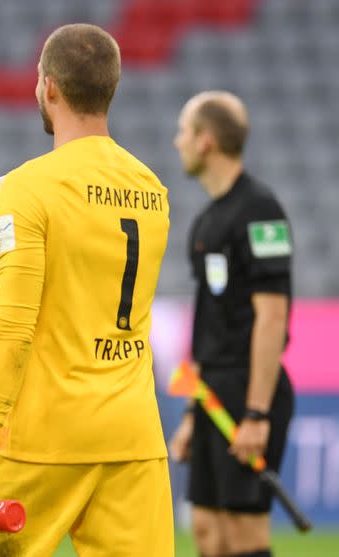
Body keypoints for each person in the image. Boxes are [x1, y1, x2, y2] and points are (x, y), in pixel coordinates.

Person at [0, 24, 174, 556]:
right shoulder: (152, 189)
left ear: (47, 87)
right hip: (132, 437)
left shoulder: (28, 188)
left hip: (44, 437)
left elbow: (15, 325)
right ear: (111, 88)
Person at [169, 91, 294, 557]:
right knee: (206, 529)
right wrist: (190, 414)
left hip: (249, 391)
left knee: (243, 535)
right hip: (212, 394)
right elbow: (207, 324)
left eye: (184, 130)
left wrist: (257, 414)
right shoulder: (205, 221)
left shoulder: (260, 210)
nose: (177, 140)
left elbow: (273, 316)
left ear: (205, 142)